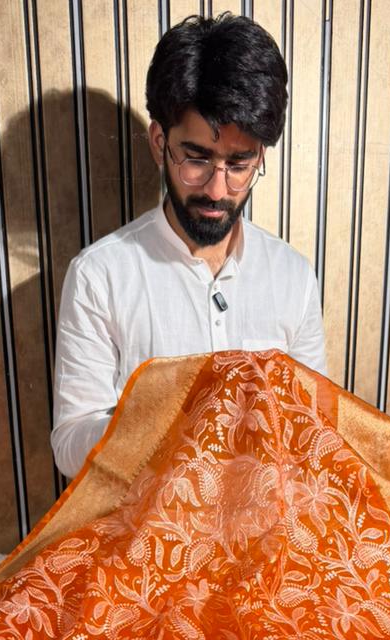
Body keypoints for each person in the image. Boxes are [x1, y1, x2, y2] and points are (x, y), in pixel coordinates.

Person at [50, 13, 327, 478]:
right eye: (196, 159)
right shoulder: (99, 276)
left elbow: (315, 428)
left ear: (260, 155)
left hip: (263, 532)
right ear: (160, 142)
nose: (218, 190)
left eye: (239, 164)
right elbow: (70, 442)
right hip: (144, 538)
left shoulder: (292, 277)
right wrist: (161, 422)